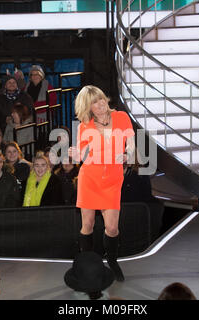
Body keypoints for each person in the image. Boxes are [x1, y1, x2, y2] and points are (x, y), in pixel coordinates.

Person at [68, 85, 135, 282]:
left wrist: (128, 155)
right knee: (87, 224)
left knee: (112, 228)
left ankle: (112, 261)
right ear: (88, 108)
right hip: (90, 178)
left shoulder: (121, 117)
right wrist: (75, 154)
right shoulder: (84, 126)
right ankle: (87, 263)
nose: (101, 103)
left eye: (101, 98)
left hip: (113, 178)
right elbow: (82, 155)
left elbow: (131, 144)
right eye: (94, 102)